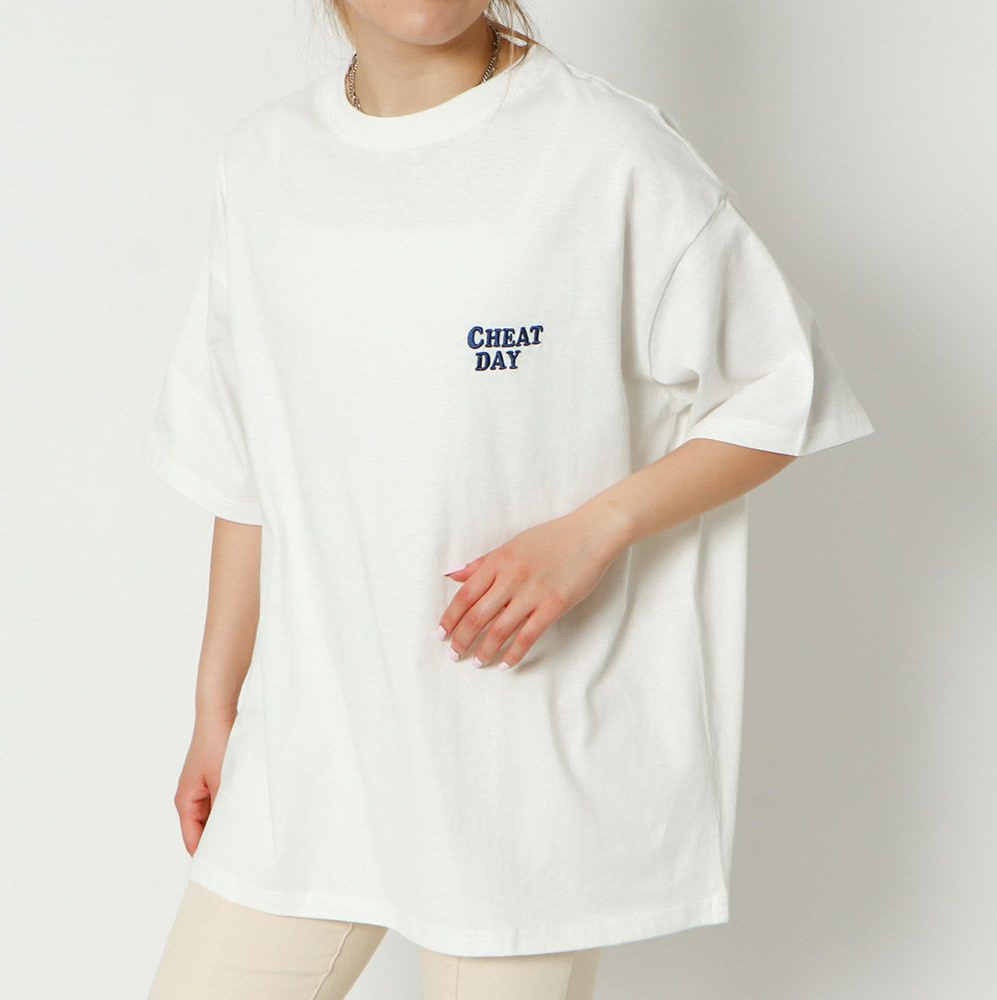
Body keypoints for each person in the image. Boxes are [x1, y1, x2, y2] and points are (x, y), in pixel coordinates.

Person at [141, 2, 876, 997]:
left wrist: (591, 533)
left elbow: (776, 392)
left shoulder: (604, 151)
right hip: (313, 749)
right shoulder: (266, 162)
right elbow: (245, 459)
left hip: (517, 758)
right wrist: (215, 706)